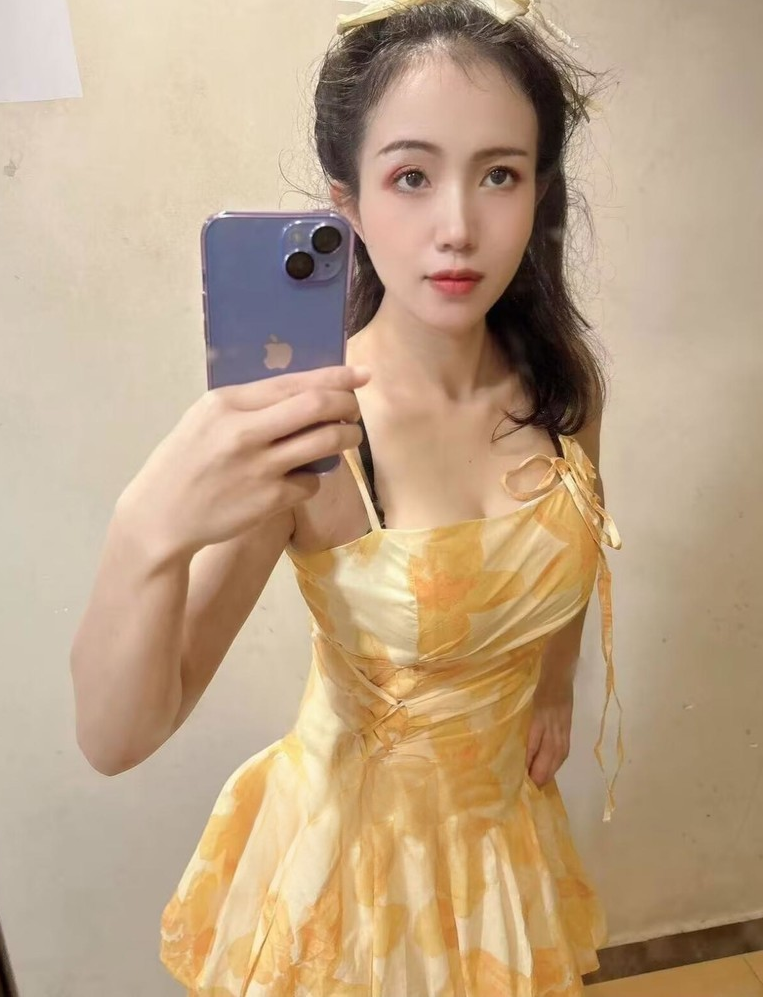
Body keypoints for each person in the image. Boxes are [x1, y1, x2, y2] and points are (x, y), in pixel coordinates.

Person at [70, 1, 624, 992]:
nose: (457, 228)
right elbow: (118, 736)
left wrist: (555, 681)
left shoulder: (562, 384)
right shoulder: (316, 433)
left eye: (498, 174)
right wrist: (146, 531)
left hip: (502, 841)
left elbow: (574, 534)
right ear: (348, 205)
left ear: (538, 193)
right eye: (411, 177)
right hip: (357, 879)